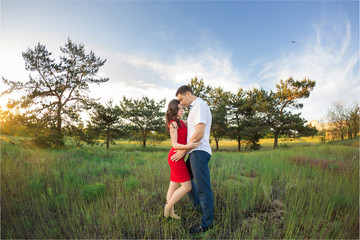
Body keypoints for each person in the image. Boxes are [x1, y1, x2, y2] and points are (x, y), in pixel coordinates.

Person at [171, 85, 214, 234]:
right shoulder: (194, 108)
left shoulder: (200, 105)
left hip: (199, 151)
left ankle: (207, 223)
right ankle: (199, 207)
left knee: (203, 188)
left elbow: (200, 133)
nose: (181, 103)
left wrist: (184, 150)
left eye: (181, 99)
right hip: (194, 151)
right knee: (187, 180)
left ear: (188, 94)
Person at [164, 99, 200, 219]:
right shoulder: (173, 124)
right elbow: (174, 144)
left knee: (173, 186)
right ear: (173, 109)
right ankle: (168, 207)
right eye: (179, 108)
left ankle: (171, 213)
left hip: (178, 156)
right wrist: (187, 147)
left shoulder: (180, 122)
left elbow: (193, 123)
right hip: (175, 157)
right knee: (187, 187)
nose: (182, 110)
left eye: (182, 108)